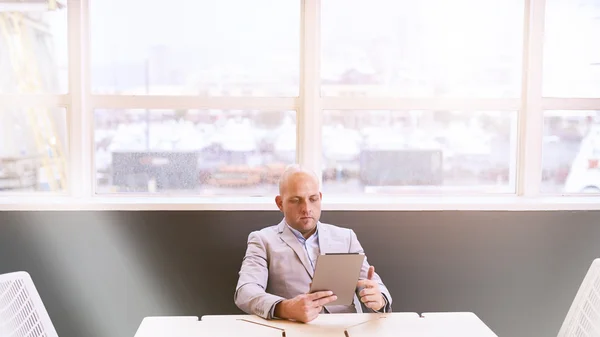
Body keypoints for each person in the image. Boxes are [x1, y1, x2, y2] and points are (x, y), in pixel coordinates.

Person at [234, 165, 392, 322]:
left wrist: (379, 299)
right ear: (280, 203)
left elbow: (373, 284)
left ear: (320, 198)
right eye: (296, 200)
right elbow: (245, 292)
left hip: (344, 329)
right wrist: (285, 308)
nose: (306, 208)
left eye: (313, 199)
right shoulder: (262, 240)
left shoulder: (346, 237)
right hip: (292, 330)